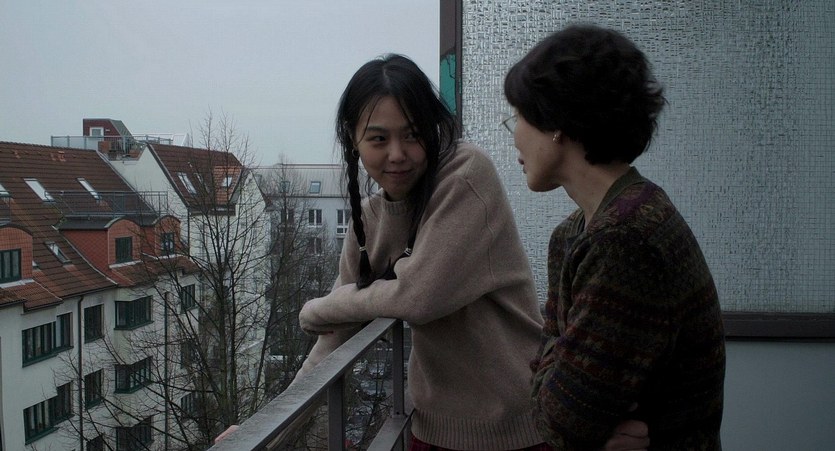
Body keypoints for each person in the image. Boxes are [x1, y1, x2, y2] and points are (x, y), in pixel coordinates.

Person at [297, 53, 650, 450]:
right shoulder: (371, 218)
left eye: (412, 134)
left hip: (517, 431)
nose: (396, 153)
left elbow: (419, 297)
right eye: (379, 139)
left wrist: (324, 307)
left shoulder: (464, 175)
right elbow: (335, 335)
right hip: (432, 429)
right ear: (353, 139)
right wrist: (279, 427)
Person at [503, 24, 726, 450]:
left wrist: (558, 392)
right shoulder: (580, 231)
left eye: (519, 116)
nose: (514, 134)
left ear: (556, 121)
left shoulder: (624, 239)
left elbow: (561, 420)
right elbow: (552, 396)